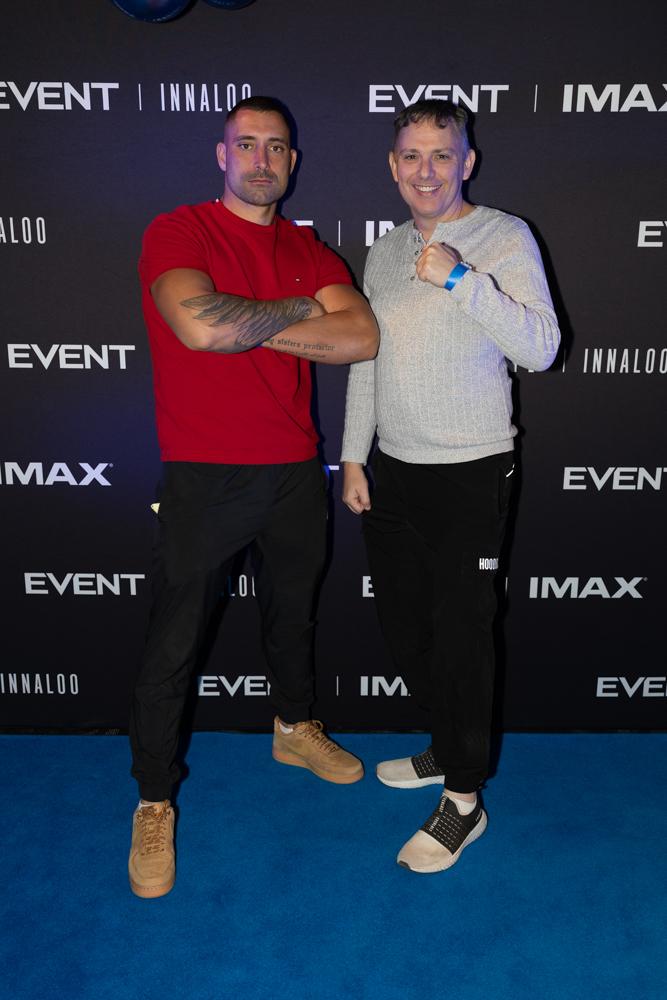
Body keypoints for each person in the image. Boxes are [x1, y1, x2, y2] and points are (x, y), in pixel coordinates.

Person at [128, 96, 379, 898]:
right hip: (205, 473)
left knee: (291, 616)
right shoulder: (181, 230)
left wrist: (253, 320)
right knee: (174, 645)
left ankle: (293, 727)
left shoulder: (310, 248)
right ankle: (154, 800)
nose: (261, 159)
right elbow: (200, 327)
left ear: (292, 162)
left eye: (276, 147)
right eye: (247, 144)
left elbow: (361, 337)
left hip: (295, 470)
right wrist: (302, 312)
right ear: (222, 154)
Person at [341, 98, 560, 874]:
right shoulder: (381, 252)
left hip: (471, 470)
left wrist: (462, 278)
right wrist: (354, 456)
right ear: (392, 165)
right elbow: (366, 357)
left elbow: (541, 347)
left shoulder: (503, 236)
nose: (425, 170)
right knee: (407, 632)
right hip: (392, 471)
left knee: (463, 641)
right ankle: (446, 744)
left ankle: (463, 801)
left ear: (466, 161)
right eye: (411, 155)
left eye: (441, 154)